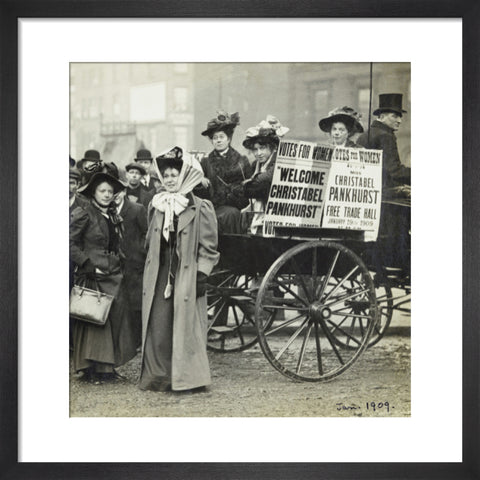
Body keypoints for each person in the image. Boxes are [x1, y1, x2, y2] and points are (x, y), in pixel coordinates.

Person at [139, 146, 220, 392]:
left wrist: (202, 274)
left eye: (175, 174)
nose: (171, 180)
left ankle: (189, 378)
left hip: (187, 273)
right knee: (159, 324)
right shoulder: (157, 204)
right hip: (161, 272)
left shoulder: (200, 206)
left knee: (187, 327)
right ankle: (160, 376)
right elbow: (149, 240)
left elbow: (210, 246)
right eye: (167, 176)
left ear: (184, 175)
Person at [70, 172, 137, 383]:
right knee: (95, 321)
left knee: (113, 319)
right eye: (103, 191)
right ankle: (92, 370)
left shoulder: (113, 215)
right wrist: (85, 263)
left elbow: (115, 244)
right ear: (94, 192)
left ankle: (108, 367)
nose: (107, 195)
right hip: (93, 273)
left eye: (110, 191)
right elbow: (68, 242)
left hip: (112, 273)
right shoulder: (84, 213)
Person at [196, 111, 252, 234]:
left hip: (236, 208)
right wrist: (200, 181)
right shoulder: (205, 162)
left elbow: (249, 189)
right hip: (212, 208)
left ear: (229, 139)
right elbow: (198, 193)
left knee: (230, 215)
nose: (218, 141)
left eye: (221, 137)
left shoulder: (241, 161)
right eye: (215, 138)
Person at [238, 115, 289, 235]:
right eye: (255, 150)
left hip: (277, 216)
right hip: (260, 214)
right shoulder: (256, 165)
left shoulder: (278, 162)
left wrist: (245, 186)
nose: (258, 153)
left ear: (273, 147)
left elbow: (260, 183)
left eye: (262, 148)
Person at [114, 184, 148, 349]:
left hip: (134, 263)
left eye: (117, 192)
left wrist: (139, 252)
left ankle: (137, 340)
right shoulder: (106, 210)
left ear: (124, 192)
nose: (114, 195)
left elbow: (145, 233)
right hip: (115, 263)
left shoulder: (136, 209)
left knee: (135, 303)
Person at [357, 93, 411, 192]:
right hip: (384, 193)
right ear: (382, 117)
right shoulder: (385, 136)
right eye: (394, 116)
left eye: (400, 117)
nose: (400, 121)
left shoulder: (365, 135)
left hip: (366, 190)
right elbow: (394, 171)